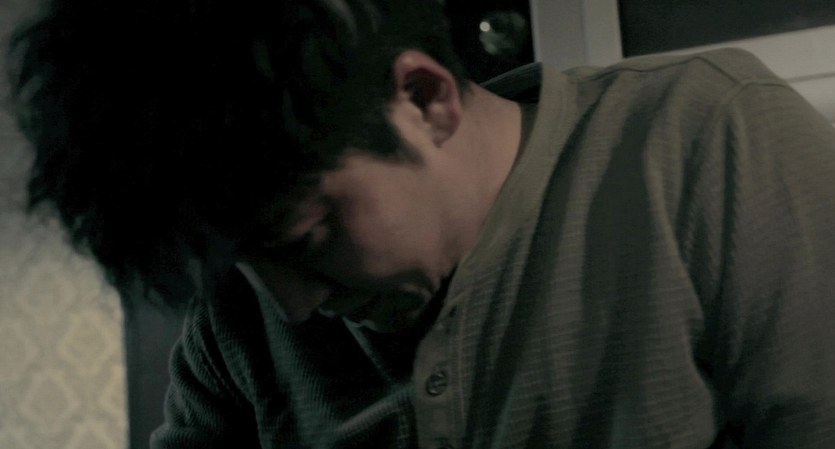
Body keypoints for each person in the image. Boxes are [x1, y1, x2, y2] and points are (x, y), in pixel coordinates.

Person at [7, 0, 835, 447]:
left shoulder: (710, 140)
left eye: (306, 237)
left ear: (424, 99)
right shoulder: (239, 310)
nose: (288, 306)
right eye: (243, 264)